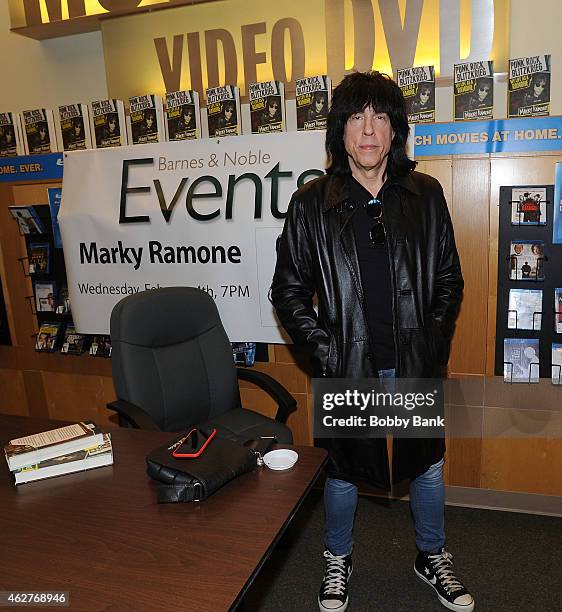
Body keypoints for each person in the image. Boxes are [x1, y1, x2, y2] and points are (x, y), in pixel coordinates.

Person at [270, 71, 471, 612]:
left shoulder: (424, 194)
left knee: (426, 465)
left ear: (394, 129)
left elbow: (449, 279)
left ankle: (431, 555)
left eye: (379, 116)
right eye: (355, 117)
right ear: (340, 131)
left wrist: (431, 343)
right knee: (342, 469)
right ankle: (338, 558)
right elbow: (287, 290)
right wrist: (328, 353)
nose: (367, 129)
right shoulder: (312, 203)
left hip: (412, 362)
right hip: (347, 366)